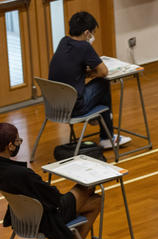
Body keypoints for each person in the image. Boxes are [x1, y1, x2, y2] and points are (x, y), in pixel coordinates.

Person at [0, 123, 100, 239]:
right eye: (18, 141)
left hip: (21, 218)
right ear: (10, 146)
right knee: (89, 190)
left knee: (93, 201)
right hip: (46, 220)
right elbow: (54, 197)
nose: (19, 143)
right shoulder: (22, 174)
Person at [49, 11, 130, 149]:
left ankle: (97, 120)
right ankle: (107, 137)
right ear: (87, 33)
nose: (92, 37)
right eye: (92, 33)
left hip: (54, 107)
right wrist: (94, 73)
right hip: (74, 109)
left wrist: (88, 74)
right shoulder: (85, 47)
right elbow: (103, 72)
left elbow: (71, 70)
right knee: (103, 84)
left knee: (97, 87)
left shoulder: (64, 41)